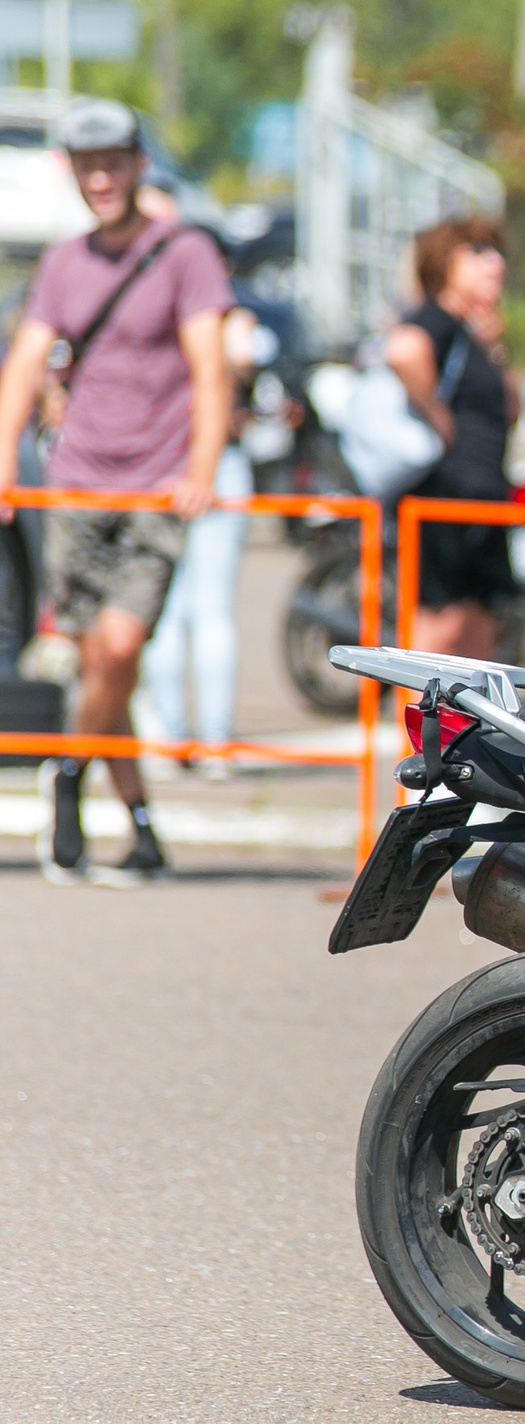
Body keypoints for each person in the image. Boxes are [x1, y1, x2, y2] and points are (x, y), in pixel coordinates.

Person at [0, 99, 231, 885]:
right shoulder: (65, 262)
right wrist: (4, 462)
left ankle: (67, 774)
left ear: (138, 164)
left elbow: (212, 369)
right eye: (87, 164)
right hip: (77, 484)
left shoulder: (185, 253)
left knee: (120, 647)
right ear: (73, 171)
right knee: (104, 661)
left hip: (156, 487)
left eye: (114, 161)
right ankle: (140, 824)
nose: (101, 177)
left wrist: (201, 468)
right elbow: (25, 364)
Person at [385, 216, 516, 660]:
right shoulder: (437, 318)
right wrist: (439, 418)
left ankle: (466, 731)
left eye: (495, 253)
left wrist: (495, 350)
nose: (493, 264)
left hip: (481, 498)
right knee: (439, 630)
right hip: (445, 499)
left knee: (478, 629)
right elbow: (402, 351)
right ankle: (416, 729)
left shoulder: (474, 333)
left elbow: (510, 412)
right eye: (477, 252)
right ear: (443, 264)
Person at [142, 304, 261, 777]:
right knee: (200, 612)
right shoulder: (227, 321)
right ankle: (210, 743)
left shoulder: (157, 315)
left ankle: (182, 741)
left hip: (168, 464)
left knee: (170, 612)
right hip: (210, 464)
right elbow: (244, 361)